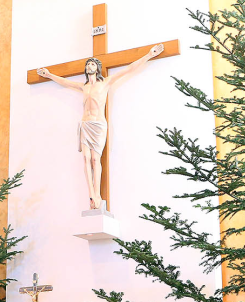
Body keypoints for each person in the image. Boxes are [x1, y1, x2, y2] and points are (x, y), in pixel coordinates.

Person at [37, 43, 164, 210]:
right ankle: (91, 194)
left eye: (92, 64)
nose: (89, 66)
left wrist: (149, 55)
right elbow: (65, 82)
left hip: (98, 125)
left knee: (95, 159)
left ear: (97, 68)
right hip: (85, 124)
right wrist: (49, 75)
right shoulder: (83, 86)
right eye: (87, 64)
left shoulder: (105, 83)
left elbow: (128, 69)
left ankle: (97, 194)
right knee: (85, 158)